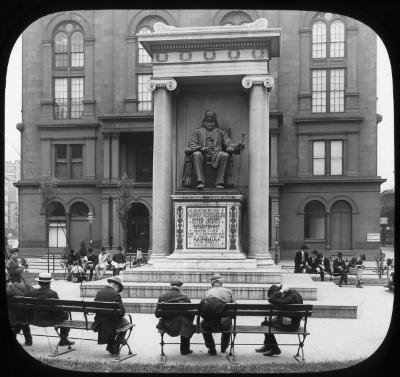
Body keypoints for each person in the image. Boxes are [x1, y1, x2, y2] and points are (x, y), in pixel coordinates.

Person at [186, 110, 245, 189]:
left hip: (216, 154)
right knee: (196, 154)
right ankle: (200, 182)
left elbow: (229, 144)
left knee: (225, 155)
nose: (209, 118)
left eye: (211, 117)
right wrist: (201, 148)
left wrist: (238, 146)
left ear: (215, 119)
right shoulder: (198, 132)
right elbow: (191, 144)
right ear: (205, 118)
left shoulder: (221, 132)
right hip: (202, 155)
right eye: (208, 116)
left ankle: (219, 182)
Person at [25, 272, 75, 347]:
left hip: (34, 320)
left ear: (39, 282)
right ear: (49, 283)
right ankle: (63, 339)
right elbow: (59, 310)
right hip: (49, 321)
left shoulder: (32, 293)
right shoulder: (53, 294)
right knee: (65, 314)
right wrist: (64, 312)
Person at [255, 284, 303, 357]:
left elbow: (271, 299)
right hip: (293, 323)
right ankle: (268, 346)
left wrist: (281, 291)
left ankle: (274, 348)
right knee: (267, 322)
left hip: (289, 326)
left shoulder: (289, 298)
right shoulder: (294, 293)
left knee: (265, 324)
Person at [155, 279, 196, 355]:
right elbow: (190, 314)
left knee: (184, 322)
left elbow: (157, 314)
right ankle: (185, 350)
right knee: (185, 323)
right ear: (180, 287)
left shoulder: (162, 296)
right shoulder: (184, 297)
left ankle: (162, 352)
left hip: (166, 325)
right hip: (182, 326)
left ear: (170, 286)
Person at [92, 276, 130, 355]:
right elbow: (122, 312)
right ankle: (115, 345)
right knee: (127, 323)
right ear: (115, 286)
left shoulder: (99, 292)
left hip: (99, 321)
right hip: (111, 322)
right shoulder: (116, 295)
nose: (118, 291)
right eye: (118, 289)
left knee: (113, 322)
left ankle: (111, 345)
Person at [200, 273, 234, 355]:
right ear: (221, 282)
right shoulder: (228, 291)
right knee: (228, 322)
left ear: (211, 283)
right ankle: (223, 347)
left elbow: (204, 310)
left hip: (210, 323)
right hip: (225, 323)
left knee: (202, 324)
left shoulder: (207, 293)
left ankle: (211, 348)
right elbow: (233, 308)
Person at [6, 271, 33, 346]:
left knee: (18, 317)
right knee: (22, 319)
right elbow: (31, 291)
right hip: (22, 317)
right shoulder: (20, 288)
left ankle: (21, 335)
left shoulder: (9, 290)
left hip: (12, 317)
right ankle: (28, 339)